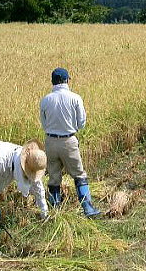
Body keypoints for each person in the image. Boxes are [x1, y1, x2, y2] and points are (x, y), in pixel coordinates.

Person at [40, 67, 100, 218]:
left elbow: (44, 123)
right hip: (68, 141)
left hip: (50, 141)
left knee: (53, 177)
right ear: (66, 80)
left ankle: (55, 211)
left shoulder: (45, 100)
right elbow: (82, 122)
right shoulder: (75, 98)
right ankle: (88, 208)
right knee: (79, 175)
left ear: (53, 81)